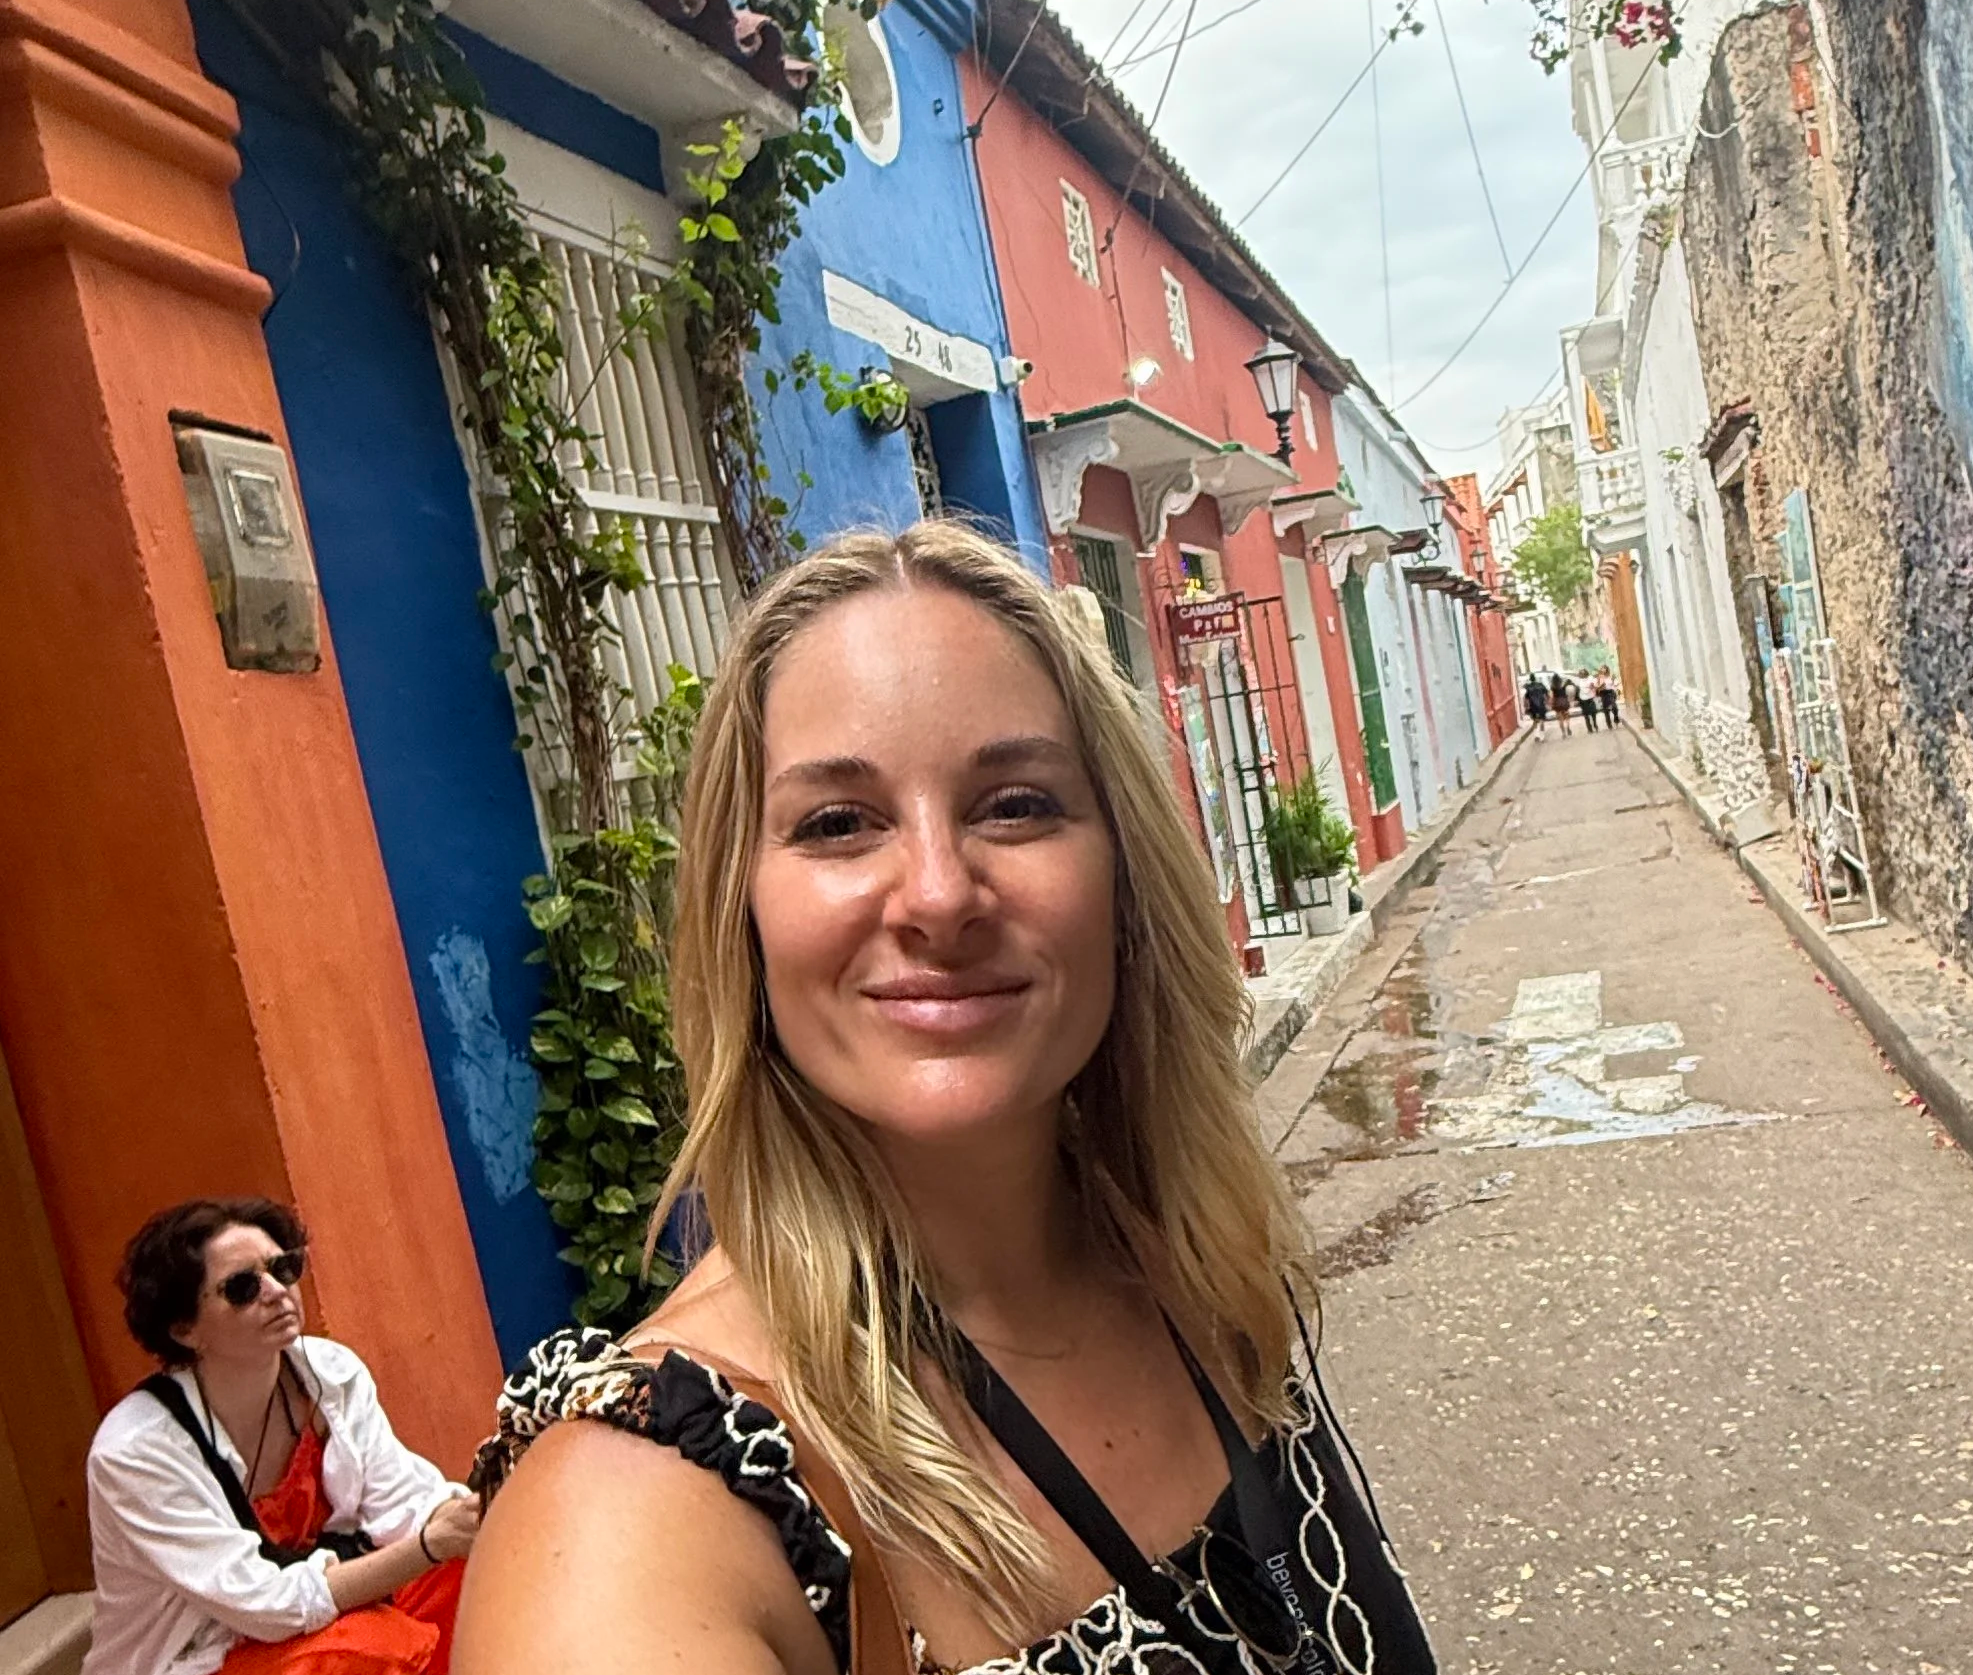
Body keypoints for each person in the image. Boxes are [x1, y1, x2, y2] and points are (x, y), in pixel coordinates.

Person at [457, 524, 1435, 1675]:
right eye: (836, 823)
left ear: (1123, 877)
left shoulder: (1188, 1266)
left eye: (1013, 805)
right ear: (743, 912)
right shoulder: (643, 1527)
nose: (936, 893)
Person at [85, 1198, 480, 1675]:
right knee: (364, 1650)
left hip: (322, 1611)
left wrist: (471, 1514)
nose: (276, 1291)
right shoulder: (137, 1451)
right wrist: (432, 1544)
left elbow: (404, 1504)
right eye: (242, 1288)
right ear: (185, 1329)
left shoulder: (330, 1373)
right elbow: (268, 1606)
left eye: (283, 1268)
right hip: (207, 1653)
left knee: (479, 1571)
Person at [1549, 671, 1573, 736]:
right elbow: (1567, 693)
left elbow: (1551, 696)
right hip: (1564, 702)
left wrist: (1550, 704)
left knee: (1560, 719)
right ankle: (1568, 727)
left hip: (1557, 703)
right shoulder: (1563, 685)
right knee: (1567, 716)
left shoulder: (1552, 687)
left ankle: (1563, 733)